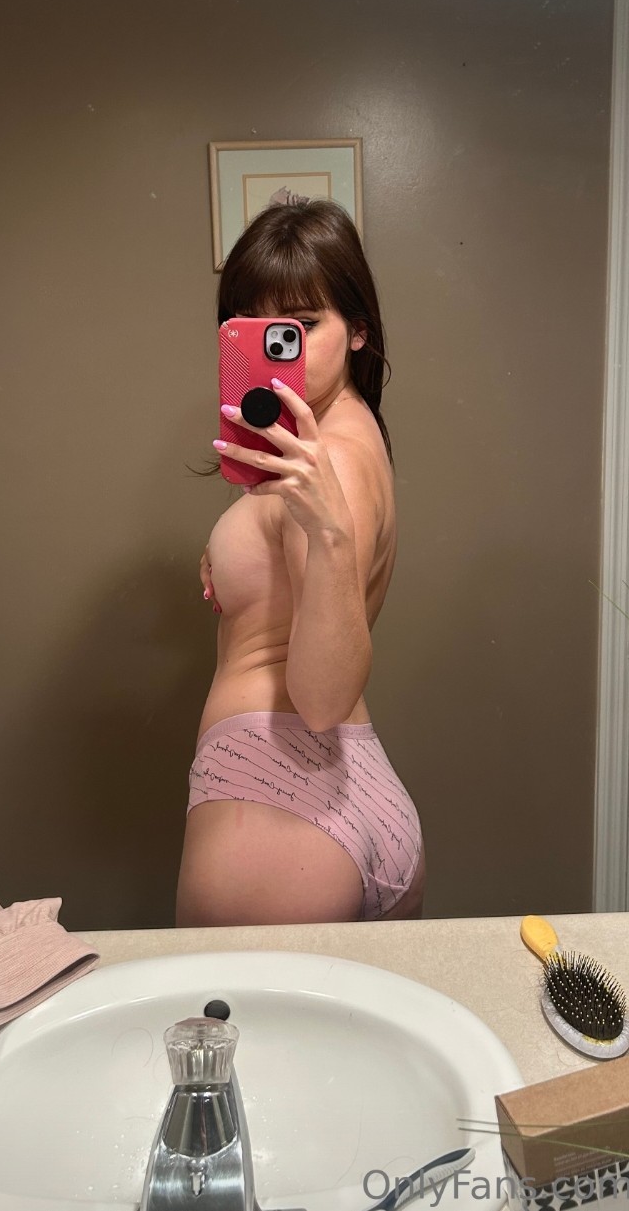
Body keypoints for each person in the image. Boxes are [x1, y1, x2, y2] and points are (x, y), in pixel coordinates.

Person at [177, 199, 424, 926]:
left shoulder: (326, 464)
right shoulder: (348, 436)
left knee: (220, 1010)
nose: (278, 348)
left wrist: (328, 533)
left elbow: (319, 698)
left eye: (303, 325)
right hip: (342, 785)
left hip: (275, 803)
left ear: (359, 329)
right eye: (254, 327)